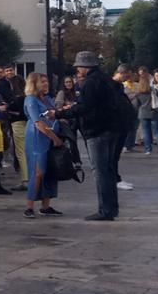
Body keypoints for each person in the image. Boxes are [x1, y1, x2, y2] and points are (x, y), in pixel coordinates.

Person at [53, 51, 128, 221]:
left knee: (100, 171)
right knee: (109, 170)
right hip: (113, 128)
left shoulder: (90, 83)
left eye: (79, 66)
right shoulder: (107, 80)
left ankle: (105, 210)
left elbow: (84, 107)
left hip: (97, 130)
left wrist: (59, 114)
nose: (78, 70)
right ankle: (111, 208)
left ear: (86, 67)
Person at [22, 72, 65, 218]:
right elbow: (38, 122)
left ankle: (46, 205)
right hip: (37, 137)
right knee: (38, 171)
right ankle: (29, 206)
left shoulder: (46, 99)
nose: (46, 84)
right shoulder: (31, 100)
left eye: (46, 81)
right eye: (43, 82)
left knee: (50, 170)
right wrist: (54, 138)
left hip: (50, 136)